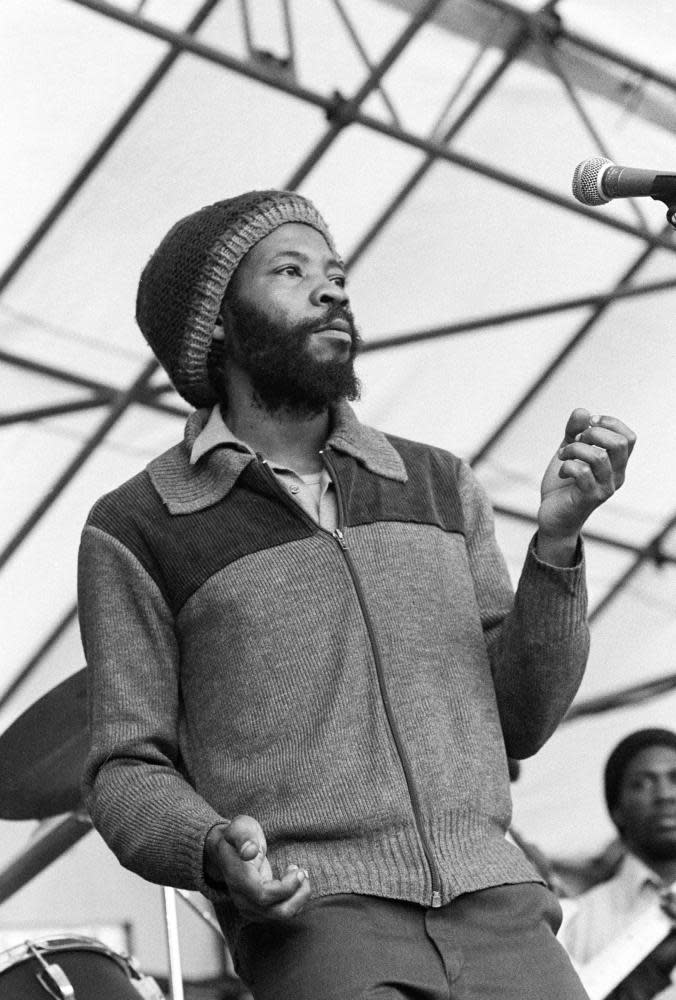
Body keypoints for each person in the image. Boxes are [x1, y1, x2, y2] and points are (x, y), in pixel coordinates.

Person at [78, 189, 636, 1000]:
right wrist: (210, 848)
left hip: (503, 907)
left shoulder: (438, 481)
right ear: (218, 327)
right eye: (292, 271)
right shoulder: (140, 524)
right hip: (321, 921)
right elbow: (125, 766)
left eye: (336, 272)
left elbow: (523, 719)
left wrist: (556, 547)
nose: (332, 289)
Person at [559, 728, 676, 1000]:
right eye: (642, 783)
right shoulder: (577, 922)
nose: (665, 795)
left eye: (675, 779)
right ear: (616, 810)